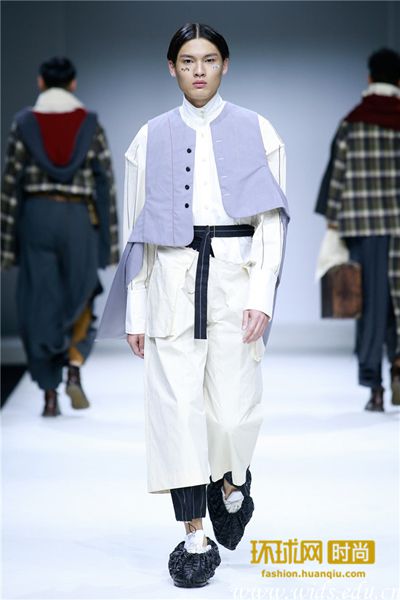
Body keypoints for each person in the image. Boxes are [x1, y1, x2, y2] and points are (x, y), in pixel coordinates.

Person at [98, 23, 289, 587]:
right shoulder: (148, 137)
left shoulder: (259, 130)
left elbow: (271, 223)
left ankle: (232, 480)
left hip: (235, 280)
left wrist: (262, 295)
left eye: (208, 59)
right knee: (176, 413)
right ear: (172, 68)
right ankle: (194, 537)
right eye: (187, 61)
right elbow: (136, 231)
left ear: (225, 64)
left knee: (232, 413)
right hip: (169, 281)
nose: (198, 70)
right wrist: (136, 309)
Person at [1, 57, 119, 417]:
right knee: (82, 295)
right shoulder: (90, 124)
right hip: (78, 220)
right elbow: (104, 183)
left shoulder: (24, 124)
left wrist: (7, 247)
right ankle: (74, 366)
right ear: (73, 84)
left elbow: (10, 185)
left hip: (36, 217)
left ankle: (49, 395)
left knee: (39, 303)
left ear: (40, 82)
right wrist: (109, 246)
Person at [315, 48, 400, 412]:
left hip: (364, 229)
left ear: (369, 78)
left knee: (370, 307)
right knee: (397, 303)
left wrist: (333, 218)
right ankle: (398, 365)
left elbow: (337, 176)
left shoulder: (352, 122)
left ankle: (375, 388)